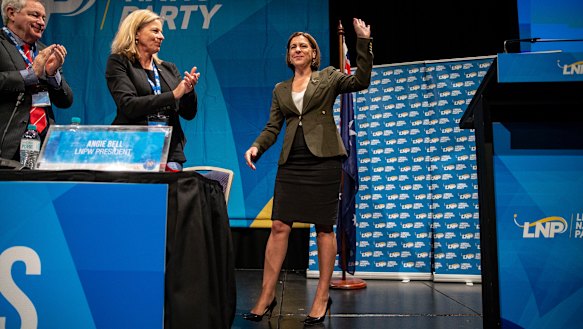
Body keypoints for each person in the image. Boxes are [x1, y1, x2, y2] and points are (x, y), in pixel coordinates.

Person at [242, 18, 373, 326]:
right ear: (288, 56)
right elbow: (273, 127)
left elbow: (361, 81)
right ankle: (266, 295)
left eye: (304, 46)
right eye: (293, 47)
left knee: (324, 228)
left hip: (324, 160)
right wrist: (256, 147)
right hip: (292, 162)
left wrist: (363, 42)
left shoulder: (328, 77)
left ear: (314, 54)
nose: (297, 49)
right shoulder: (280, 89)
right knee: (278, 227)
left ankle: (321, 296)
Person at [105, 9, 199, 172]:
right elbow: (128, 105)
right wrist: (173, 95)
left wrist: (188, 92)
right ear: (136, 33)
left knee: (168, 197)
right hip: (131, 150)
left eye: (161, 32)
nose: (161, 37)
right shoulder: (119, 63)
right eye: (155, 31)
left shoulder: (168, 68)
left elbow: (188, 114)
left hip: (169, 152)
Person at [0, 0, 73, 163]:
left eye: (43, 18)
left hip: (45, 142)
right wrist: (31, 74)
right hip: (7, 143)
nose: (41, 23)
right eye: (35, 15)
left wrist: (53, 75)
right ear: (12, 13)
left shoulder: (45, 51)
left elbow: (66, 100)